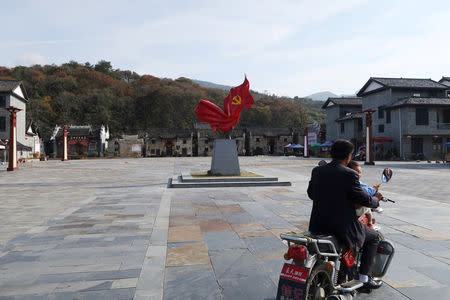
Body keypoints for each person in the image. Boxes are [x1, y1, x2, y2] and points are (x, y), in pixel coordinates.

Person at [307, 139, 383, 291]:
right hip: (342, 228)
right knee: (374, 237)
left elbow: (311, 194)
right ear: (349, 156)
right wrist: (375, 200)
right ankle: (364, 278)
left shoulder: (317, 171)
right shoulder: (350, 174)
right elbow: (362, 198)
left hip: (318, 225)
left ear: (332, 153)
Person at [347, 160, 379, 228]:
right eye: (356, 172)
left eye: (359, 172)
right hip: (355, 210)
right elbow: (365, 192)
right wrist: (373, 190)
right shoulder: (356, 183)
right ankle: (370, 224)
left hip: (347, 210)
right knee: (368, 209)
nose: (358, 174)